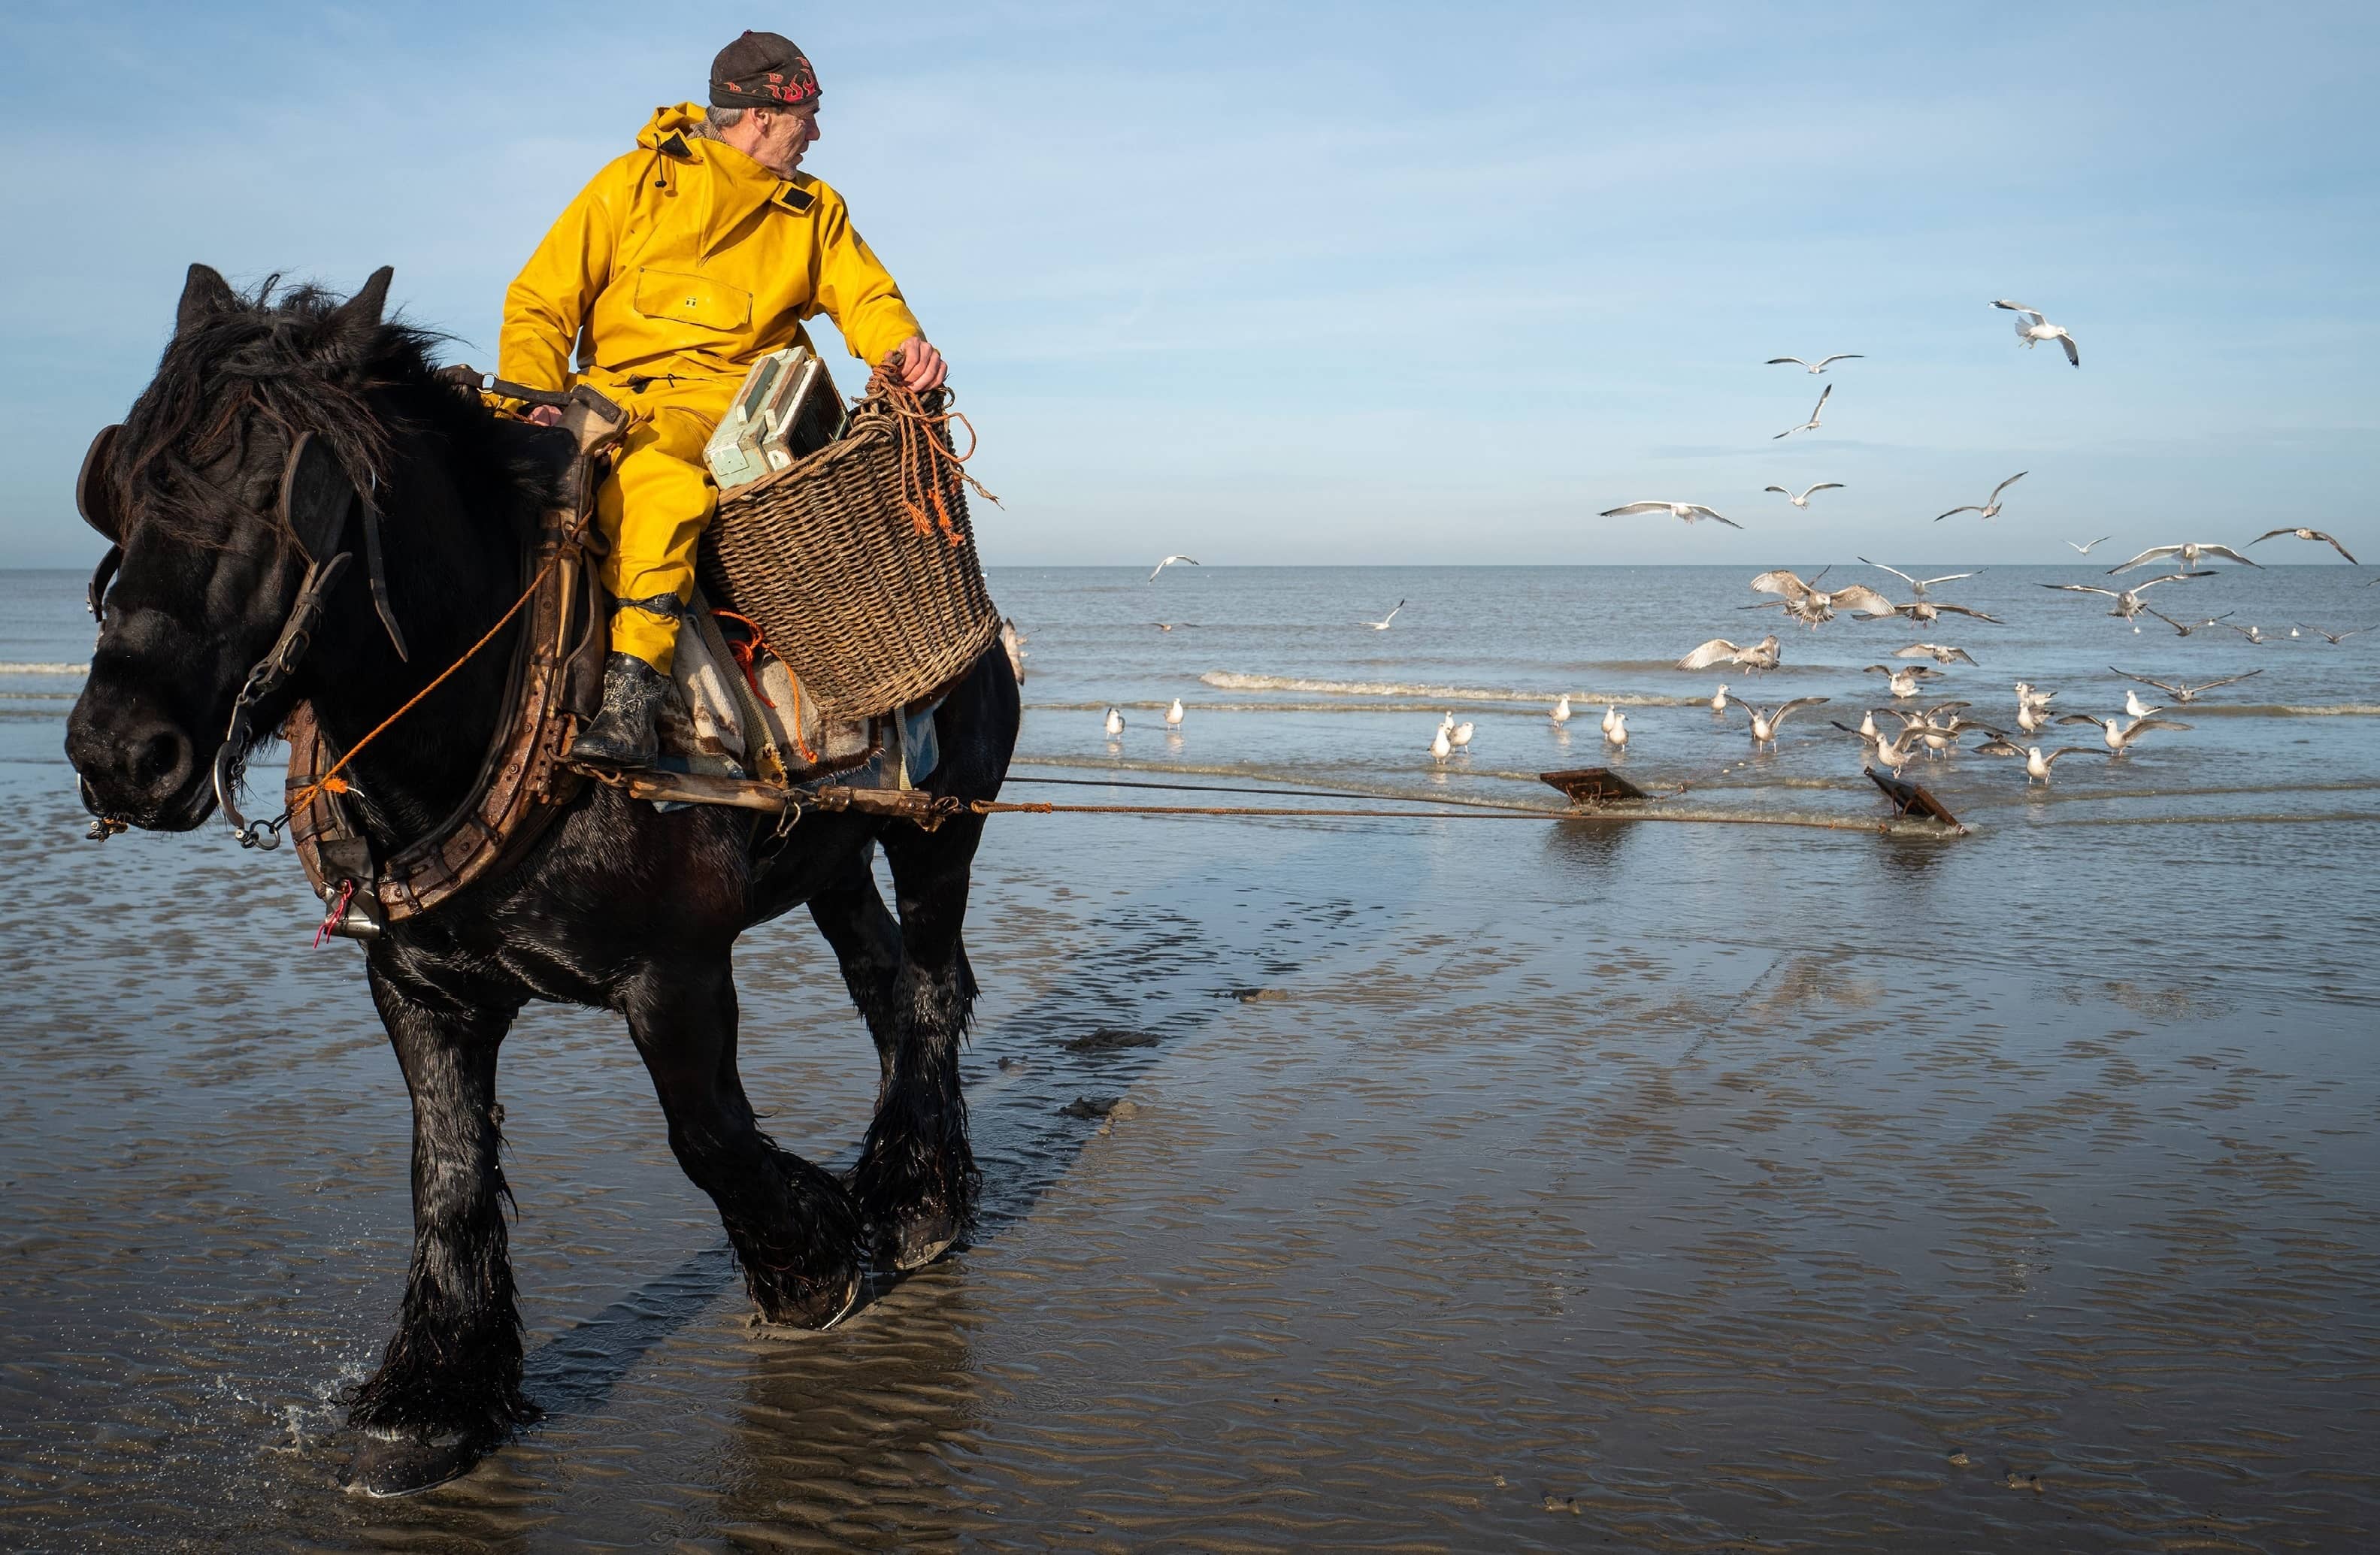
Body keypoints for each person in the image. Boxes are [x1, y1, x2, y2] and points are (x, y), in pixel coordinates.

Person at [499, 30, 947, 767]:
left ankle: (632, 694)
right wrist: (532, 400)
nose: (817, 134)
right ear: (763, 115)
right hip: (608, 405)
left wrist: (901, 348)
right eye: (808, 117)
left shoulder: (813, 210)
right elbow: (540, 304)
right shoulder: (630, 183)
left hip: (730, 414)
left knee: (657, 481)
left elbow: (868, 296)